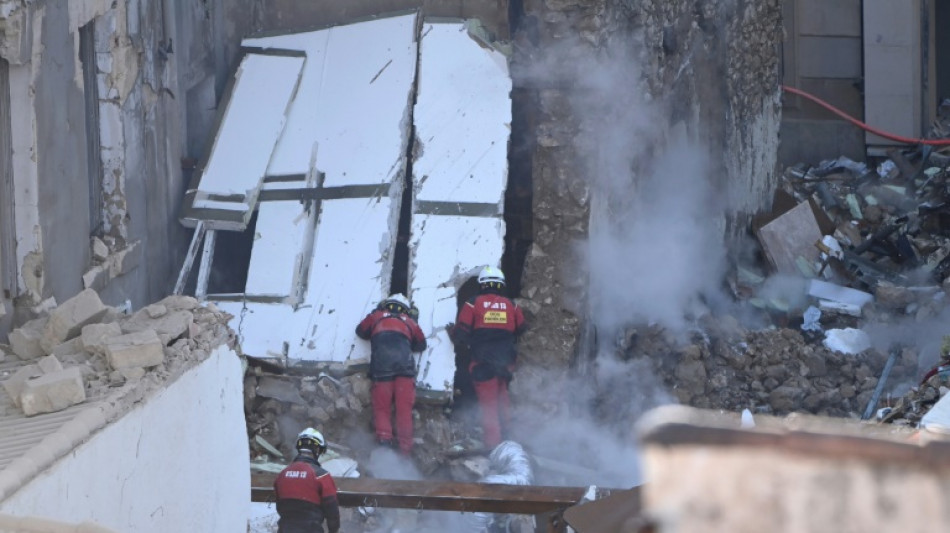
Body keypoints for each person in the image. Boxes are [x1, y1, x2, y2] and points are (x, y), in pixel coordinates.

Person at [449, 266, 526, 449]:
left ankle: (493, 448)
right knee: (503, 402)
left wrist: (451, 331)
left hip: (483, 365)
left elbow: (461, 334)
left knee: (489, 409)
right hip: (506, 364)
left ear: (482, 285)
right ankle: (511, 443)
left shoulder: (472, 304)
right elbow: (522, 328)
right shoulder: (512, 305)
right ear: (501, 285)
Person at [355, 293, 427, 455]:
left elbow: (360, 331)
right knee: (404, 410)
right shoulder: (409, 322)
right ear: (406, 309)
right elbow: (421, 345)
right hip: (405, 371)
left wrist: (376, 313)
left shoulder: (377, 316)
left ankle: (384, 444)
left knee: (382, 409)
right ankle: (405, 451)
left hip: (382, 370)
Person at [273, 428, 340, 533]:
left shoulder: (282, 475)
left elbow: (280, 507)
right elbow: (332, 513)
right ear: (318, 450)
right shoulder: (322, 476)